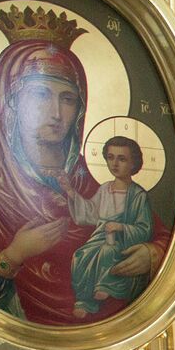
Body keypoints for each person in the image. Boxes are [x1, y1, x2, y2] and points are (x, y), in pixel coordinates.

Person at [0, 6, 167, 325]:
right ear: (9, 99)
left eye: (67, 99)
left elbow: (162, 237)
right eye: (40, 94)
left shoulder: (97, 177)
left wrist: (150, 255)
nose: (55, 112)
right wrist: (13, 256)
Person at [64, 135, 161, 318]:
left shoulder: (138, 195)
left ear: (133, 163)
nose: (115, 164)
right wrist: (71, 192)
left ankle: (106, 286)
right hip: (100, 235)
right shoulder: (104, 189)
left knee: (107, 252)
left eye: (122, 159)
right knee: (80, 256)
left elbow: (144, 228)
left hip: (123, 239)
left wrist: (121, 227)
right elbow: (91, 213)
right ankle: (84, 300)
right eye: (110, 157)